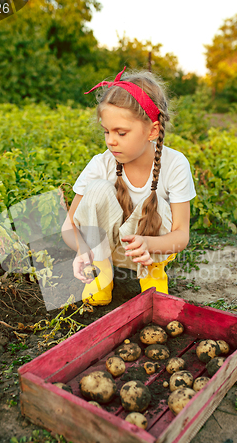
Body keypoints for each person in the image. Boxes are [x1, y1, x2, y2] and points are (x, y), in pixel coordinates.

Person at [61, 67, 196, 306]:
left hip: (150, 250)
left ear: (152, 130)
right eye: (106, 131)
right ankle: (102, 279)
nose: (111, 140)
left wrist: (150, 244)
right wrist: (84, 249)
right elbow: (68, 226)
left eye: (121, 133)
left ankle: (153, 278)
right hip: (108, 249)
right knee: (97, 190)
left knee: (158, 206)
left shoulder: (175, 164)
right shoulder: (100, 164)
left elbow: (181, 235)